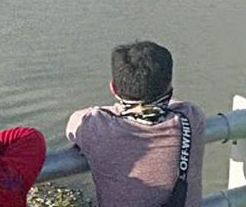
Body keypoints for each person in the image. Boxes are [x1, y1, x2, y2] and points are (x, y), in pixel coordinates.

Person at [67, 41, 205, 207]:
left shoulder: (94, 126)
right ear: (170, 85)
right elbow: (175, 104)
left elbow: (73, 124)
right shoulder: (190, 118)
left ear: (113, 88)